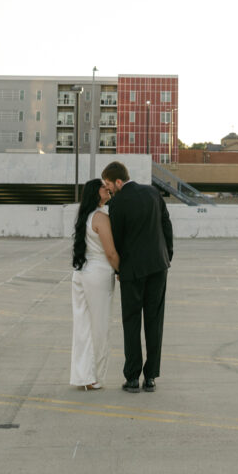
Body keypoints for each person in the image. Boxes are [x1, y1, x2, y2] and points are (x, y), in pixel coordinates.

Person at [101, 160, 173, 393]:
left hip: (132, 271)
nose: (108, 189)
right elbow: (166, 225)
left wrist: (120, 270)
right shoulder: (153, 192)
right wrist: (167, 256)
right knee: (155, 321)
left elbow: (117, 240)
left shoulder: (117, 203)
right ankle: (150, 377)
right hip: (158, 267)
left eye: (109, 184)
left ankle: (132, 378)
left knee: (131, 322)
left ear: (119, 181)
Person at [70, 178, 120, 390]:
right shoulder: (100, 217)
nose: (107, 188)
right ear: (95, 193)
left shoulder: (86, 216)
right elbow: (110, 252)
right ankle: (93, 377)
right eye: (103, 186)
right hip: (98, 275)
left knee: (83, 326)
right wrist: (120, 270)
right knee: (99, 327)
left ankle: (82, 375)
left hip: (82, 273)